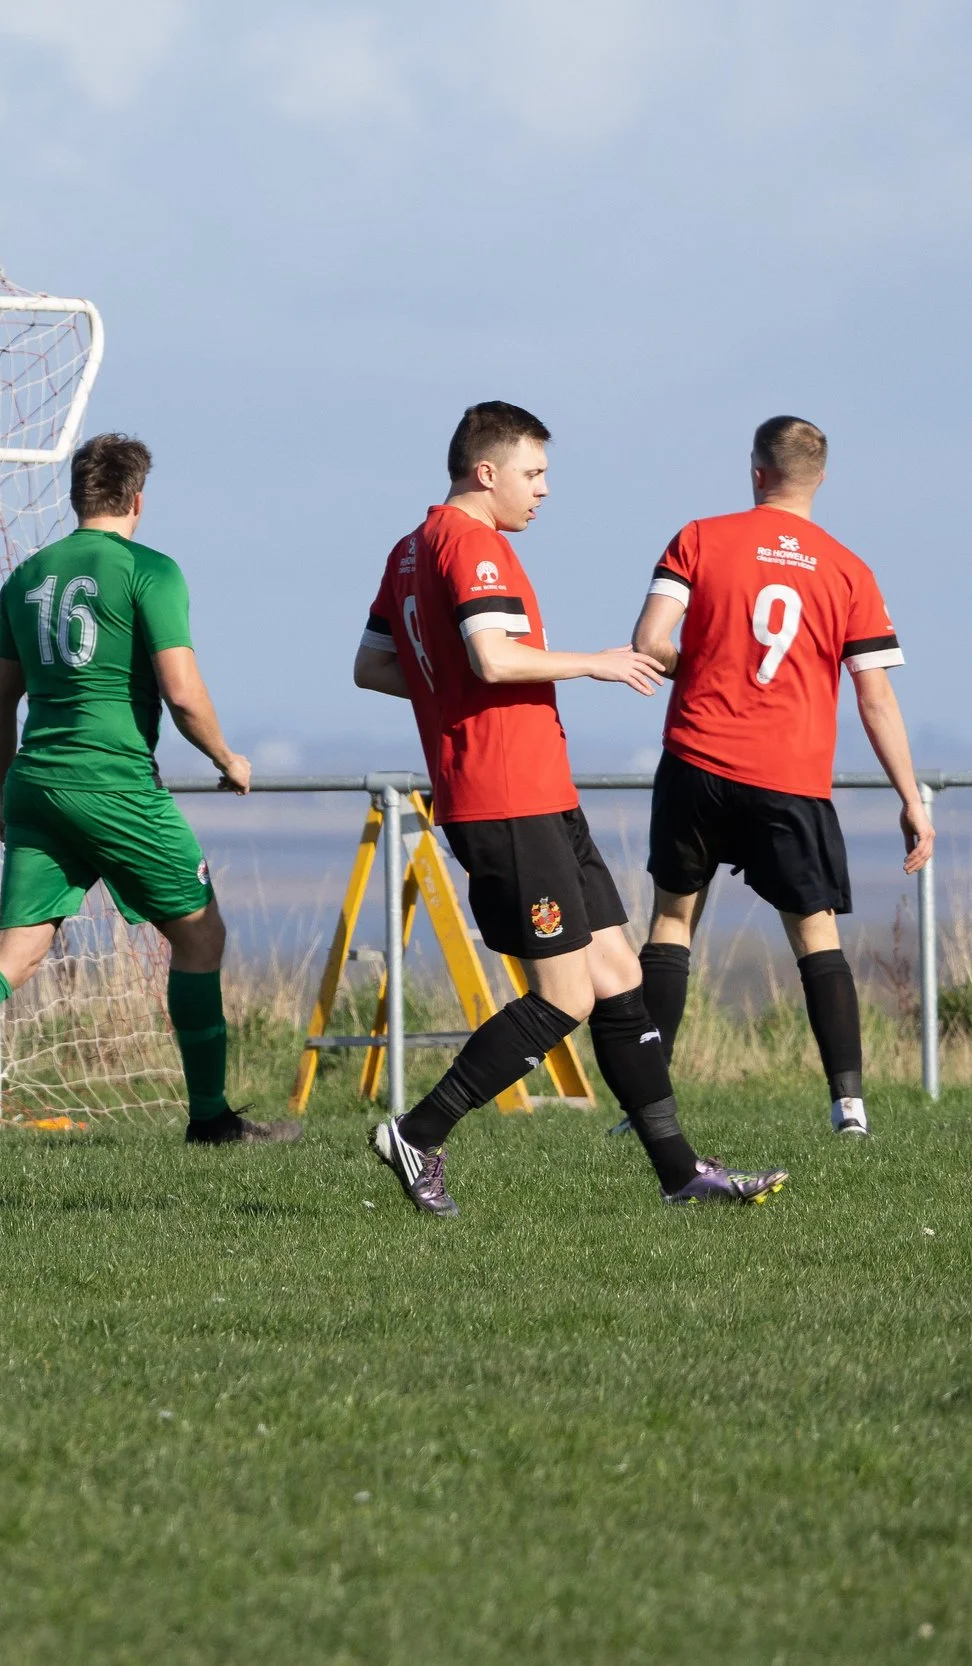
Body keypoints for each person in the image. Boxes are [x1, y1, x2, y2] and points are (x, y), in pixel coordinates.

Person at [353, 400, 786, 1216]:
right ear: (487, 473)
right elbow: (490, 654)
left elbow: (374, 665)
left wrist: (450, 680)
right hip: (503, 796)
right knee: (565, 997)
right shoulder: (471, 544)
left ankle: (680, 1174)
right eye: (533, 472)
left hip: (539, 793)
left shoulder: (411, 549)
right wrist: (595, 662)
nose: (544, 490)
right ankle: (419, 1132)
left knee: (619, 974)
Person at [0, 433, 291, 1145]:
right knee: (200, 933)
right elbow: (182, 695)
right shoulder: (148, 571)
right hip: (114, 783)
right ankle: (211, 1118)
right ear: (138, 500)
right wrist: (227, 756)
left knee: (13, 952)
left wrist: (3, 797)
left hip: (38, 782)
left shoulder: (27, 576)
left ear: (78, 497)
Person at [629, 416, 928, 1137]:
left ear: (756, 471)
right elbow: (875, 698)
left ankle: (646, 1108)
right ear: (819, 479)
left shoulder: (699, 537)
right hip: (789, 777)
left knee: (673, 921)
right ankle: (849, 1106)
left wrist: (699, 660)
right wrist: (912, 798)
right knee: (815, 935)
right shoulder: (850, 570)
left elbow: (649, 643)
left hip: (698, 760)